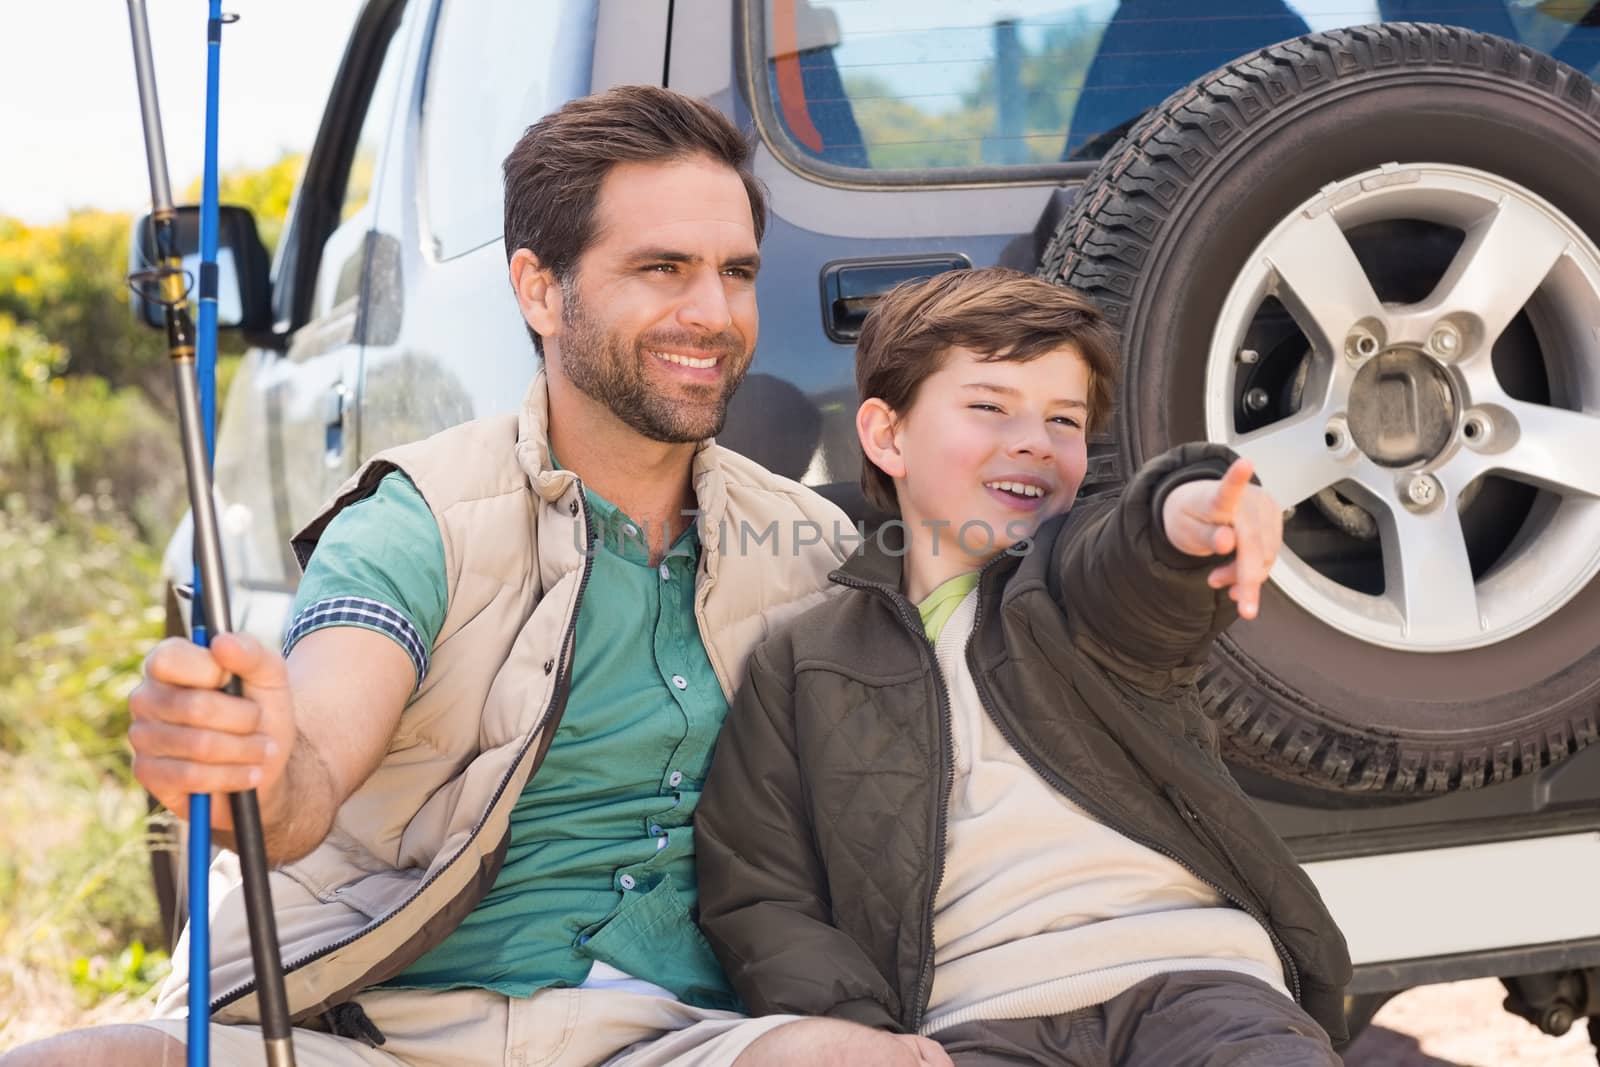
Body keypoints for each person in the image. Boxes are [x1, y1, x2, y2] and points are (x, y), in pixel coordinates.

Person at [5, 87, 951, 1067]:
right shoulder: (418, 518)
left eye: (736, 271)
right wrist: (253, 760)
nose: (711, 312)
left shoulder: (808, 544)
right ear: (540, 289)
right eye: (661, 267)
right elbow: (313, 769)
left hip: (675, 1040)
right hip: (376, 1029)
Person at [694, 267, 1355, 1066]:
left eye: (1065, 420)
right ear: (887, 435)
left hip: (1197, 980)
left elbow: (1140, 562)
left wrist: (1189, 511)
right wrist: (870, 1036)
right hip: (974, 1018)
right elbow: (763, 890)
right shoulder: (802, 662)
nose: (1036, 440)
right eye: (989, 406)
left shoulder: (1071, 587)